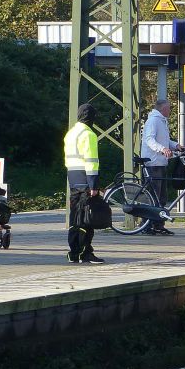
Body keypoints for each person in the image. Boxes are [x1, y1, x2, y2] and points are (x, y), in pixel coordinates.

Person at [65, 103, 104, 264]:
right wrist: (94, 185)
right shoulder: (89, 134)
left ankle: (74, 252)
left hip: (73, 179)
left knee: (76, 217)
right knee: (87, 219)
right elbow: (91, 162)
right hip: (86, 180)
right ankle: (85, 252)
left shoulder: (70, 133)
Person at [140, 98, 179, 236]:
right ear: (163, 109)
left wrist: (176, 146)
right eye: (169, 108)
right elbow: (149, 139)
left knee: (161, 197)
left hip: (161, 162)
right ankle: (146, 225)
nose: (170, 110)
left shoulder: (162, 121)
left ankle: (158, 225)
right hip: (153, 163)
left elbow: (164, 140)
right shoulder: (153, 121)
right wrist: (162, 149)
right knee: (153, 197)